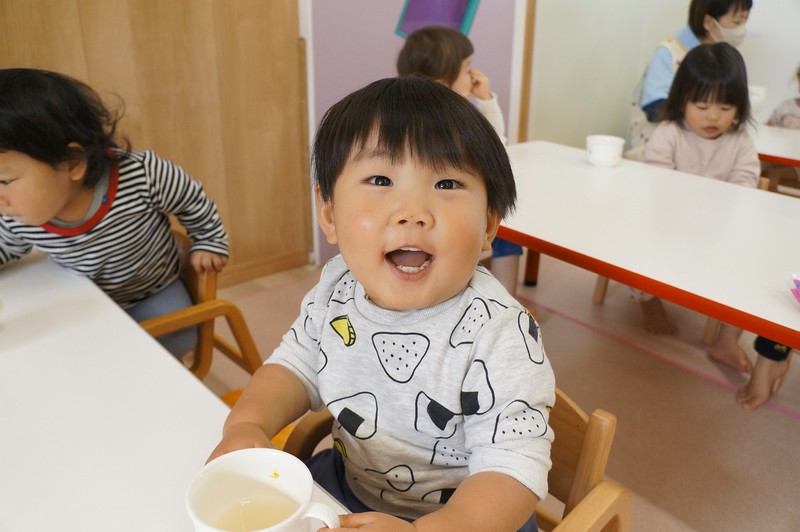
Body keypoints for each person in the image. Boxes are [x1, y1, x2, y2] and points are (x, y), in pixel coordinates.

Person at [207, 76, 555, 531]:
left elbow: (511, 470)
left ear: (489, 224)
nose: (413, 212)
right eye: (380, 180)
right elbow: (295, 366)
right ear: (329, 213)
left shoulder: (499, 333)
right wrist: (246, 424)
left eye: (447, 183)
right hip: (347, 487)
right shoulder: (337, 287)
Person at [0, 68, 228, 358]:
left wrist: (209, 240)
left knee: (180, 336)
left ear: (72, 163)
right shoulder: (17, 215)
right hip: (87, 297)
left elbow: (191, 200)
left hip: (152, 290)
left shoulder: (143, 174)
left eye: (5, 180)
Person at [643, 43, 759, 371]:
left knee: (750, 264)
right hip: (669, 224)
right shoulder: (669, 133)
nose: (713, 116)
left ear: (740, 107)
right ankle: (649, 300)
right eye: (702, 105)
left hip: (718, 232)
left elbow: (746, 185)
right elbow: (655, 184)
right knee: (638, 240)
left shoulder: (740, 141)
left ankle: (727, 338)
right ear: (681, 100)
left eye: (725, 107)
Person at [397, 25, 523, 296]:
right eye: (467, 68)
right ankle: (507, 302)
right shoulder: (451, 117)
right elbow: (496, 147)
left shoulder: (403, 110)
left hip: (422, 209)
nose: (473, 75)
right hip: (447, 208)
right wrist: (484, 103)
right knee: (507, 235)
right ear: (444, 80)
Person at [627, 0, 752, 159]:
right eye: (736, 22)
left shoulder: (723, 58)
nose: (741, 29)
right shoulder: (669, 52)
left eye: (744, 21)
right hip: (659, 152)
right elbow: (654, 109)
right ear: (709, 22)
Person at [761, 64, 800, 191]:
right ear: (798, 79)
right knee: (755, 164)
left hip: (797, 165)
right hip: (779, 157)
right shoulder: (786, 106)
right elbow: (767, 129)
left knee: (773, 176)